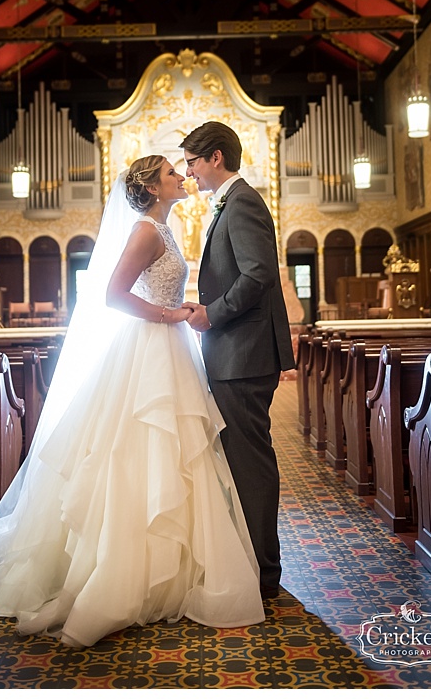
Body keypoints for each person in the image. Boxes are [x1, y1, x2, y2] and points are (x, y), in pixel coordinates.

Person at [0, 156, 263, 646]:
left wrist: (177, 314)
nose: (181, 177)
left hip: (168, 347)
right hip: (147, 346)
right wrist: (170, 316)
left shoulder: (164, 229)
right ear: (151, 186)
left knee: (172, 454)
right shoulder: (147, 231)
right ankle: (122, 570)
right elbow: (113, 294)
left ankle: (168, 568)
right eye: (172, 173)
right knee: (136, 452)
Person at [180, 122, 294, 600]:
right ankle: (253, 560)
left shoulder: (242, 201)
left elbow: (260, 274)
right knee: (245, 460)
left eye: (192, 162)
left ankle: (264, 573)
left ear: (216, 157)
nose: (189, 173)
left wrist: (212, 314)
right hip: (237, 353)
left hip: (243, 356)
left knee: (250, 463)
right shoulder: (230, 201)